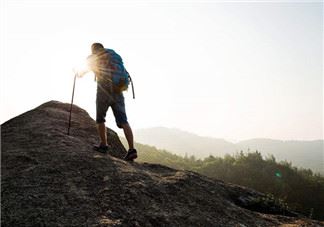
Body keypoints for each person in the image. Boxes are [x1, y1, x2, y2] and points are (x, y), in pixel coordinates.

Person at [78, 42, 137, 161]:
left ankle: (104, 145)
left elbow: (82, 72)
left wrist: (78, 73)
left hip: (103, 91)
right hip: (118, 90)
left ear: (93, 50)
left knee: (100, 119)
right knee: (124, 121)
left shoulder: (94, 57)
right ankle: (132, 150)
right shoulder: (113, 55)